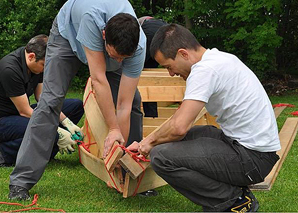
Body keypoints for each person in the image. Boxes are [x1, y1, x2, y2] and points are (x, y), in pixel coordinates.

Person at [128, 24, 281, 212]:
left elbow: (178, 127)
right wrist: (146, 142)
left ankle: (234, 200)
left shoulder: (204, 70)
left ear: (183, 54)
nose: (171, 73)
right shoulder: (219, 58)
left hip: (252, 160)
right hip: (248, 150)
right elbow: (178, 121)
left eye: (169, 66)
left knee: (161, 157)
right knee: (193, 135)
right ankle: (232, 192)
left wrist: (149, 144)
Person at [8, 0, 146, 201]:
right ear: (104, 36)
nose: (118, 63)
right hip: (67, 35)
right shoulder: (91, 19)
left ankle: (129, 174)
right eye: (115, 57)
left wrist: (118, 145)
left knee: (133, 102)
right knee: (49, 103)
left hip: (108, 39)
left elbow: (123, 104)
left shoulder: (139, 46)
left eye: (123, 59)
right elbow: (98, 80)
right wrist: (113, 128)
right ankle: (21, 182)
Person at [0, 35, 84, 168]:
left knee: (75, 106)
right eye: (44, 65)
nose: (45, 69)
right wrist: (57, 130)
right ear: (31, 56)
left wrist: (66, 122)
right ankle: (4, 153)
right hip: (5, 119)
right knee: (48, 131)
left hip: (18, 114)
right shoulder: (9, 70)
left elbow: (43, 99)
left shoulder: (35, 65)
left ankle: (46, 151)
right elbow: (25, 111)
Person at [139, 16, 167, 117]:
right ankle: (152, 116)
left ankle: (149, 116)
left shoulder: (138, 23)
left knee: (136, 72)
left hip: (151, 33)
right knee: (149, 77)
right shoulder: (156, 22)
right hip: (165, 32)